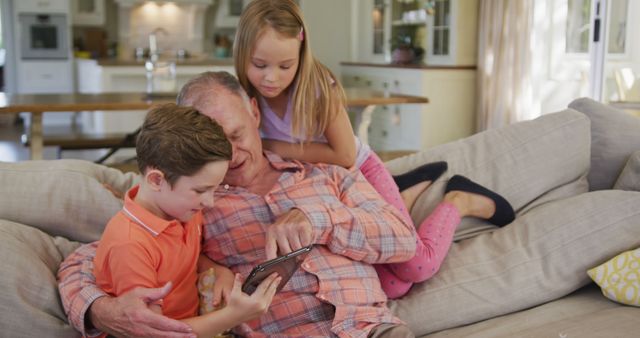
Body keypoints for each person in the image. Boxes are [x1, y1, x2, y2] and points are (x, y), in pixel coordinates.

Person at [58, 71, 515, 338]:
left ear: (255, 113)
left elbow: (402, 242)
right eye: (217, 146)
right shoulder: (191, 200)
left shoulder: (326, 173)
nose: (232, 156)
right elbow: (89, 256)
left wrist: (319, 219)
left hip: (370, 328)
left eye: (236, 136)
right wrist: (101, 311)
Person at [232, 0, 514, 298]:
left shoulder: (316, 87)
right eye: (259, 65)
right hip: (321, 187)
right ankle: (404, 191)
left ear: (301, 55)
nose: (271, 77)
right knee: (392, 287)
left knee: (417, 267)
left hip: (357, 171)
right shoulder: (243, 98)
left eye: (285, 66)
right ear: (242, 56)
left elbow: (345, 155)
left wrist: (276, 147)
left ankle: (459, 200)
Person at [91, 103, 282, 337]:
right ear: (156, 180)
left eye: (214, 189)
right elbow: (153, 332)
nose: (210, 202)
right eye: (201, 190)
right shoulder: (130, 245)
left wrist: (216, 269)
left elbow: (181, 257)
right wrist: (233, 316)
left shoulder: (181, 209)